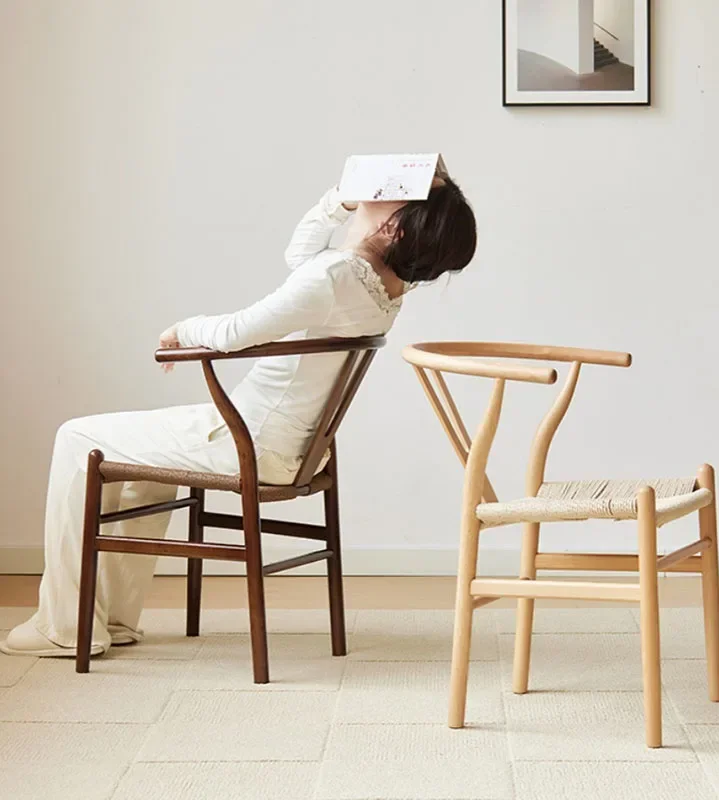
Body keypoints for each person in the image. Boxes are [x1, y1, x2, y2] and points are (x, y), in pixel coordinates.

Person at [1, 172, 477, 657]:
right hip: (290, 449)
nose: (375, 192)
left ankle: (60, 627)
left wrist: (181, 331)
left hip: (248, 442)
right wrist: (338, 200)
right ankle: (111, 621)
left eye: (392, 193)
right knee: (141, 470)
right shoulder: (382, 287)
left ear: (396, 229)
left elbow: (234, 332)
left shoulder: (334, 276)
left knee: (76, 436)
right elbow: (301, 257)